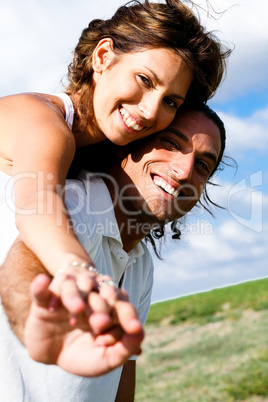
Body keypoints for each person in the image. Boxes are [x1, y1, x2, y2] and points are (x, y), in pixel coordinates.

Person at [0, 0, 230, 296]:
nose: (150, 111)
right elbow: (36, 206)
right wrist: (82, 275)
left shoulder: (88, 152)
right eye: (145, 79)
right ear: (103, 57)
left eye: (170, 101)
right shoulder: (44, 122)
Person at [0, 103, 227, 401]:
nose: (184, 170)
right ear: (126, 147)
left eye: (202, 166)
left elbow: (122, 372)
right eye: (170, 143)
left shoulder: (141, 265)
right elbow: (24, 260)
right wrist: (33, 315)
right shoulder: (76, 205)